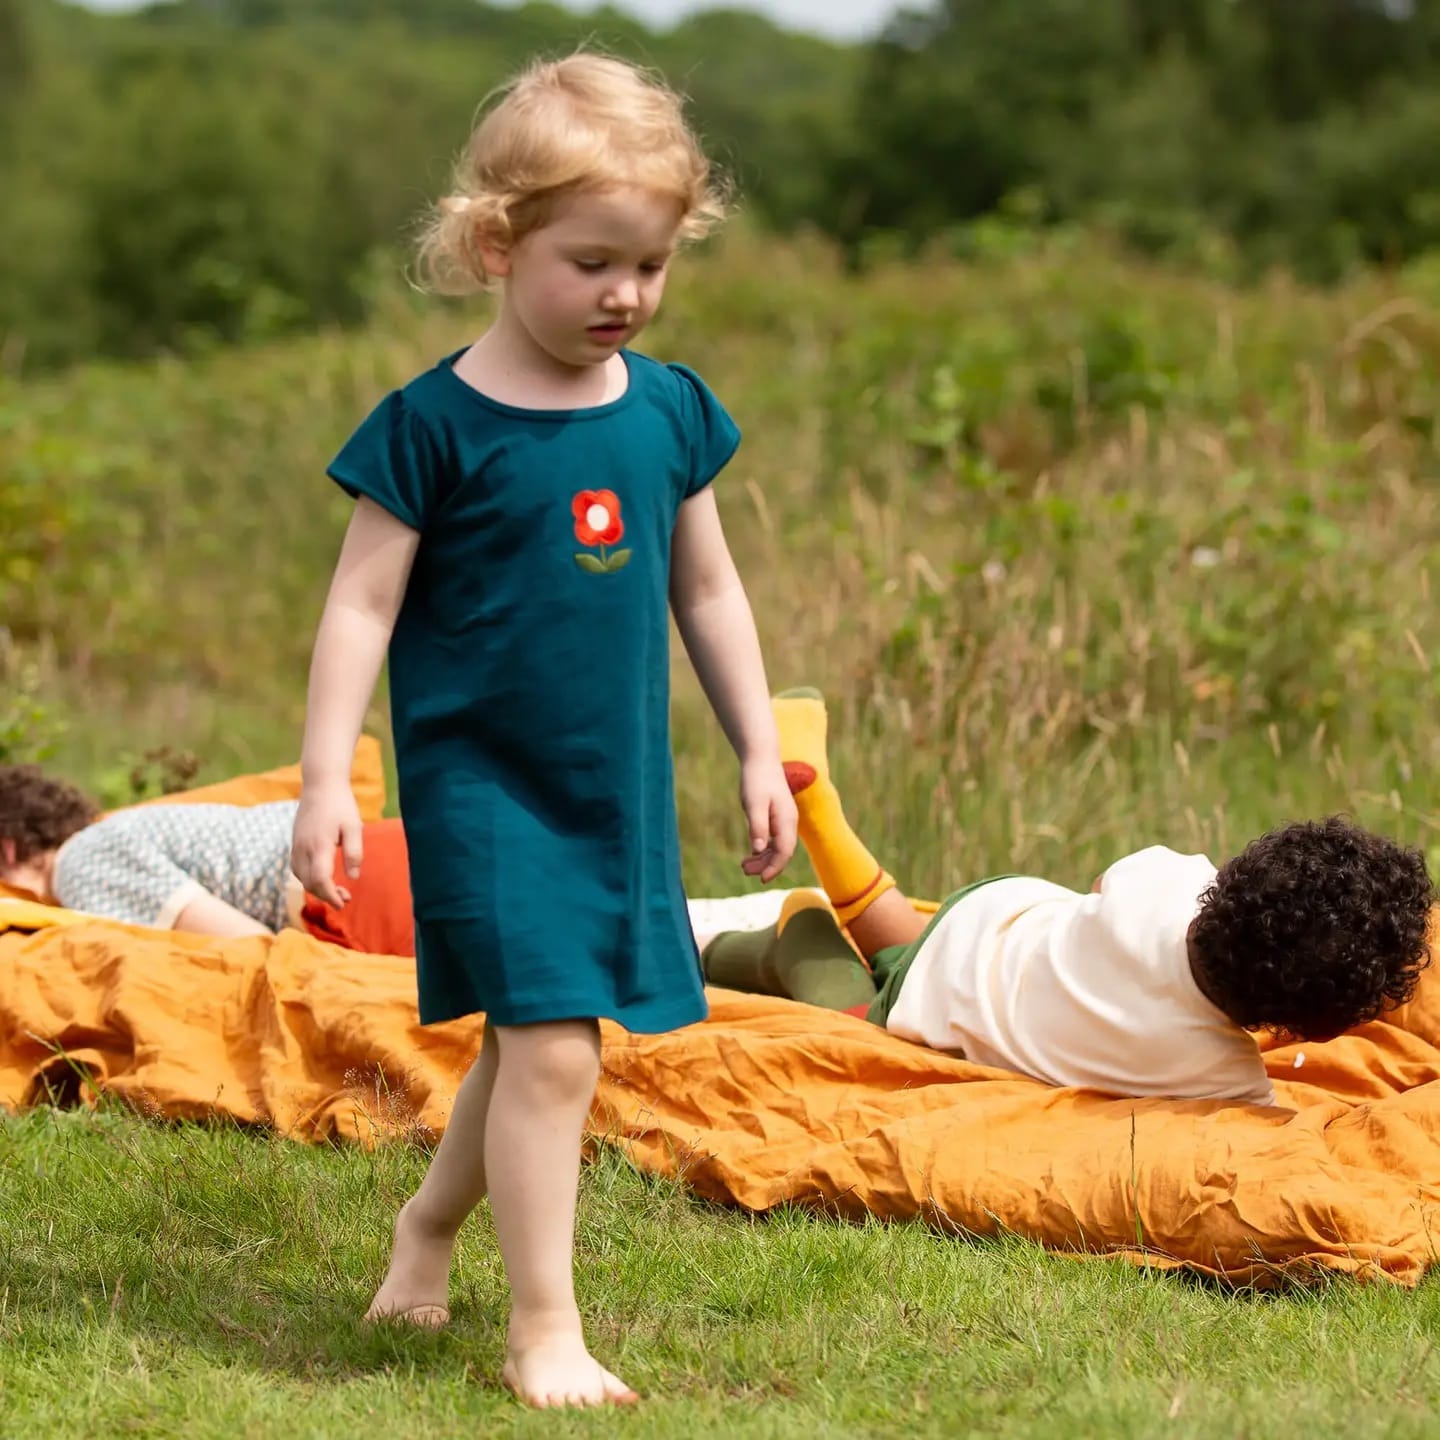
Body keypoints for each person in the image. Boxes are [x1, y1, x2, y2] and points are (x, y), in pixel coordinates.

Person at [288, 54, 796, 1410]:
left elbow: (708, 586)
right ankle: (543, 1329)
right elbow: (359, 605)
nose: (624, 294)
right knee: (558, 1046)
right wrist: (326, 777)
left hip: (608, 788)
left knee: (537, 1046)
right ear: (497, 244)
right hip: (482, 787)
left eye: (650, 264)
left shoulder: (670, 414)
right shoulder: (432, 428)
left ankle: (428, 1229)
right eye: (592, 263)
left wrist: (754, 744)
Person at [698, 690, 1436, 1107]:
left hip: (994, 913)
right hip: (933, 1011)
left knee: (910, 937)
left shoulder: (1171, 876)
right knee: (853, 1005)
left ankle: (823, 811)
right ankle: (798, 927)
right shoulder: (1222, 1078)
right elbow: (1271, 1120)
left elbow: (1099, 886)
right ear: (1304, 1030)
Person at [0, 764, 302, 938]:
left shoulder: (78, 866)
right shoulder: (105, 836)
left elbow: (251, 944)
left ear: (8, 850)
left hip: (315, 883)